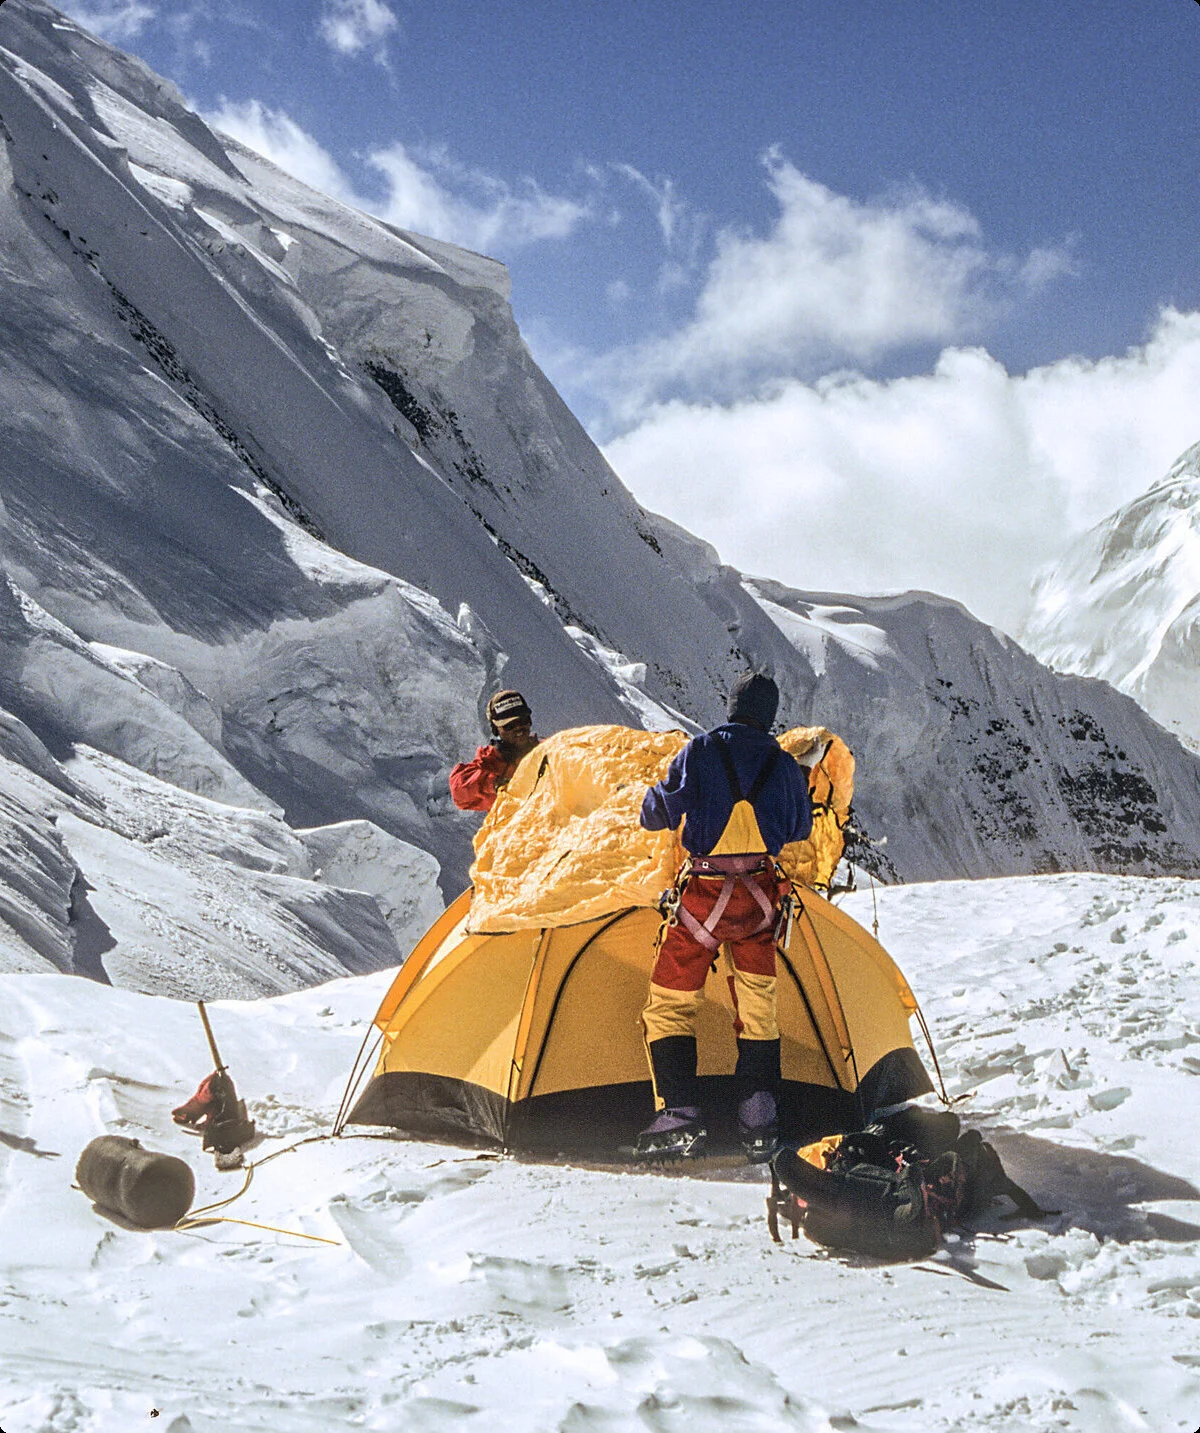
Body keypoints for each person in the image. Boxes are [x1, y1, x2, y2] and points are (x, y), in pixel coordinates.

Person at [636, 672, 812, 1161]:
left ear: (732, 706)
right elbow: (799, 827)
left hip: (703, 895)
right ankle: (759, 1117)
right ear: (771, 714)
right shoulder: (782, 764)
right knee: (758, 1004)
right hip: (759, 895)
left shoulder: (702, 750)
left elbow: (655, 813)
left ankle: (678, 1114)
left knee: (671, 1001)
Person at [449, 689, 540, 813]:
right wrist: (494, 783)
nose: (519, 729)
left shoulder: (548, 751)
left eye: (523, 722)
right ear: (496, 730)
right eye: (510, 726)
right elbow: (459, 791)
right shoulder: (489, 764)